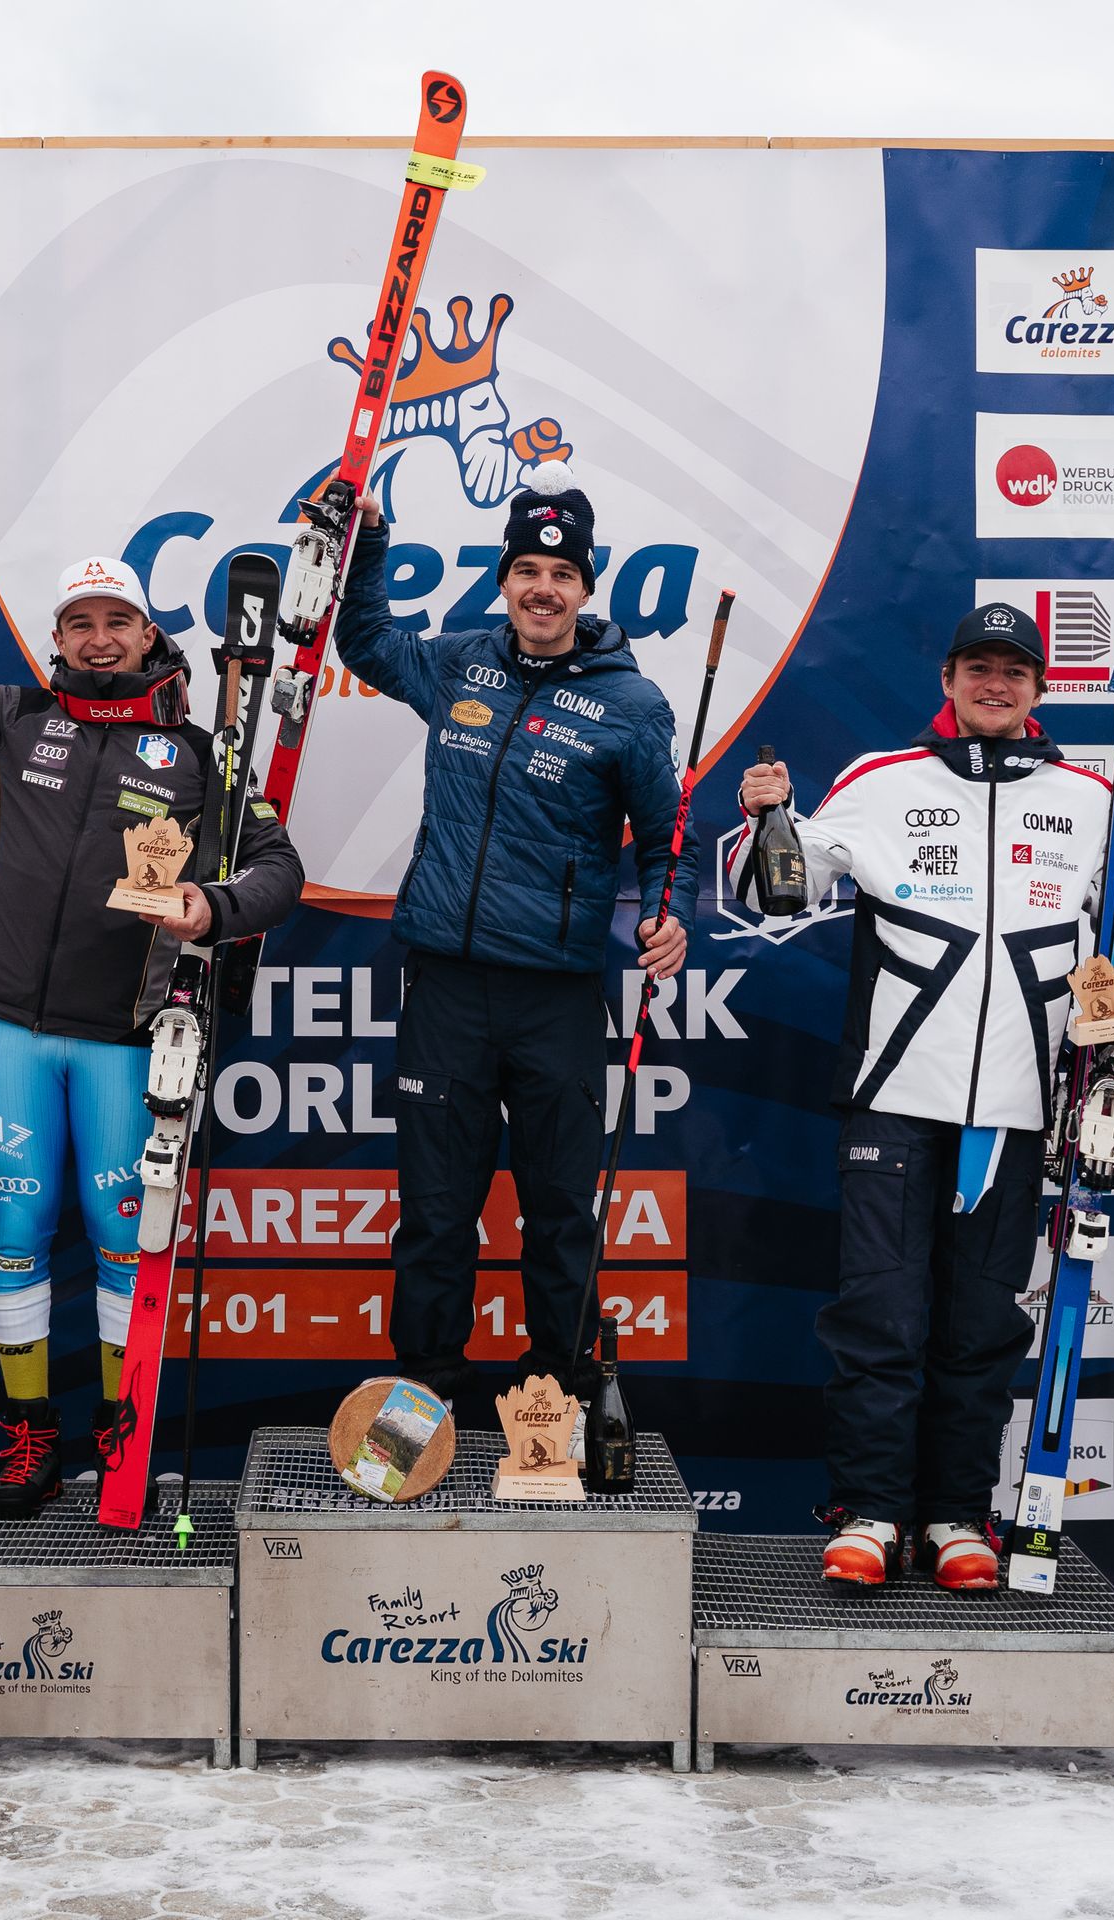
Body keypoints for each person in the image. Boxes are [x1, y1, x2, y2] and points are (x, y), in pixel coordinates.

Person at [0, 480, 304, 1517]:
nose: (98, 640)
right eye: (79, 623)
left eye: (117, 621)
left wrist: (212, 904)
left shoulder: (201, 758)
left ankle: (120, 1437)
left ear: (148, 632)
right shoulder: (10, 723)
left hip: (123, 1040)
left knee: (118, 1236)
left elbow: (280, 868)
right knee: (14, 1235)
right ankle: (28, 1439)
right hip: (8, 1029)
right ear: (56, 636)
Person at [731, 602, 1114, 1591]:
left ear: (1040, 688)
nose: (996, 684)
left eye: (1015, 671)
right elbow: (777, 895)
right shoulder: (882, 782)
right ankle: (872, 1510)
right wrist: (767, 822)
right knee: (880, 1315)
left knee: (981, 1324)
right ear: (948, 678)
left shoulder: (1091, 797)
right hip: (895, 1095)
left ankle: (956, 1516)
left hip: (1019, 1110)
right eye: (979, 666)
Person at [331, 466, 699, 1407]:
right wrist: (370, 541)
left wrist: (669, 913)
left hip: (555, 997)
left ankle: (559, 1405)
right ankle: (422, 1405)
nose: (543, 587)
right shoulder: (463, 661)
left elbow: (667, 843)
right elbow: (366, 642)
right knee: (437, 1216)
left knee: (560, 1216)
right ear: (504, 578)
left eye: (562, 573)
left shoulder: (631, 704)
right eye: (527, 568)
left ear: (586, 588)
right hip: (447, 988)